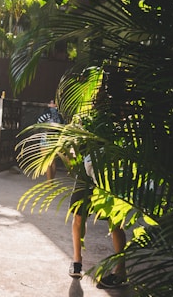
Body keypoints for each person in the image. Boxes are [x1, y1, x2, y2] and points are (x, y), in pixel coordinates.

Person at [69, 155, 127, 289]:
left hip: (110, 165)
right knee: (78, 214)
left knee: (115, 220)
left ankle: (120, 270)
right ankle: (77, 261)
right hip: (87, 163)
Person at [36, 99, 64, 180]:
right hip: (56, 139)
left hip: (46, 138)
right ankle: (52, 180)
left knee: (47, 162)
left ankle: (49, 182)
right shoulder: (60, 115)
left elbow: (39, 122)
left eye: (50, 103)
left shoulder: (47, 113)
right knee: (53, 162)